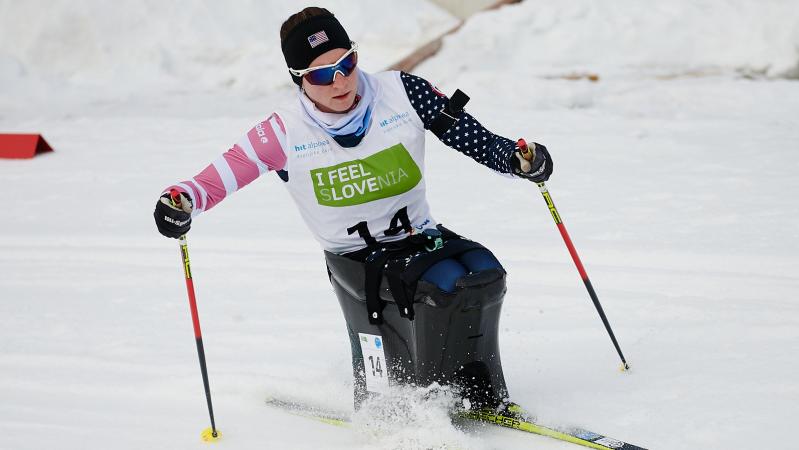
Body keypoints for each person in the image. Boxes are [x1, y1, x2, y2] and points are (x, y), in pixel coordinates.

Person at [154, 7, 552, 411]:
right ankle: (425, 403)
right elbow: (211, 181)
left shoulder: (400, 92)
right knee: (444, 286)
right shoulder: (282, 131)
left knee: (482, 271)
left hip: (419, 237)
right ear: (298, 80)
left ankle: (478, 391)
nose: (340, 80)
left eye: (347, 64)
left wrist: (516, 159)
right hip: (355, 259)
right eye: (321, 74)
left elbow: (475, 138)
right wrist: (180, 203)